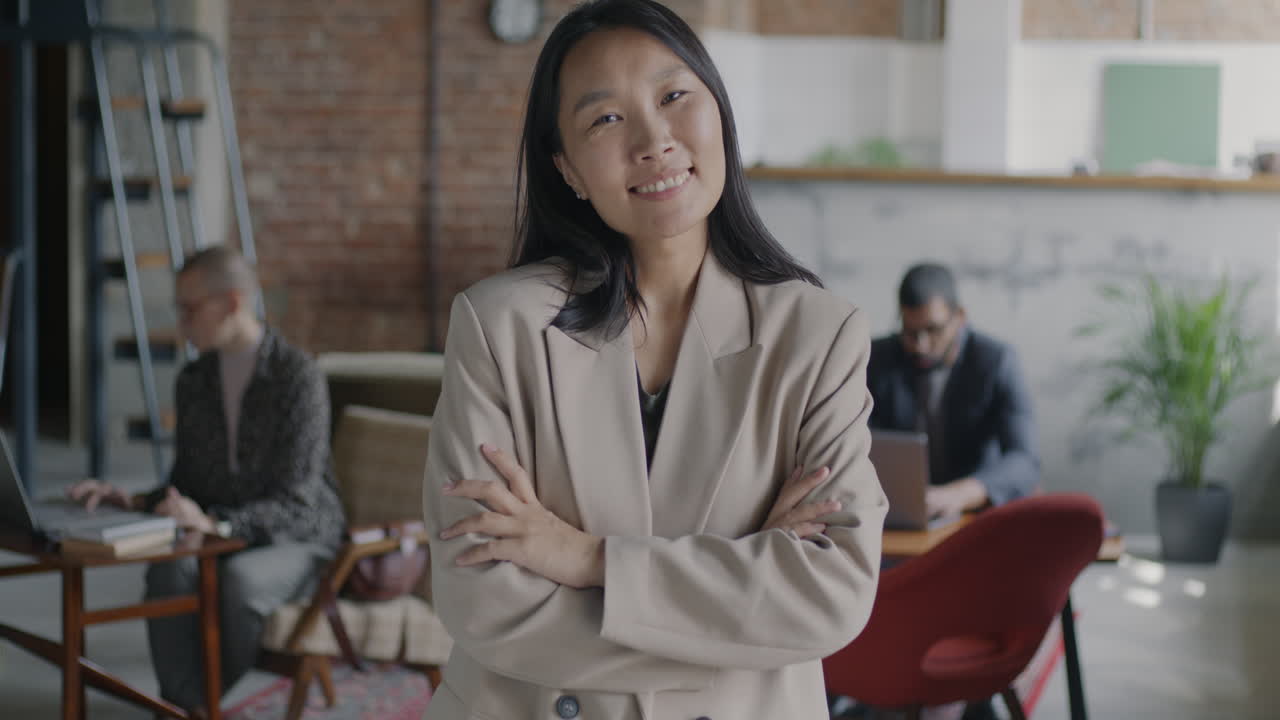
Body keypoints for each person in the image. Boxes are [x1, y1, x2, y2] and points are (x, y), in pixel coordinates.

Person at [421, 2, 888, 719]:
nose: (653, 140)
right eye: (605, 118)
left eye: (674, 97)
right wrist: (740, 608)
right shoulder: (498, 326)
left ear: (719, 113)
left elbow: (831, 596)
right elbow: (481, 602)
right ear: (568, 169)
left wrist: (583, 559)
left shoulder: (819, 336)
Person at [67, 245, 344, 715]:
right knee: (168, 570)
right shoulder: (194, 380)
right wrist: (131, 500)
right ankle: (186, 708)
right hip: (224, 534)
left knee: (239, 581)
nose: (182, 323)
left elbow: (297, 502)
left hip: (298, 538)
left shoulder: (298, 377)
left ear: (232, 302)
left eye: (190, 309)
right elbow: (188, 485)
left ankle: (200, 707)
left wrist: (218, 525)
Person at [866, 263, 1040, 522]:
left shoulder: (998, 361)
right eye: (910, 332)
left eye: (933, 330)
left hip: (976, 514)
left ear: (960, 316)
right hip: (896, 515)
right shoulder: (876, 359)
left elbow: (1025, 461)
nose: (921, 345)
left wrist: (960, 494)